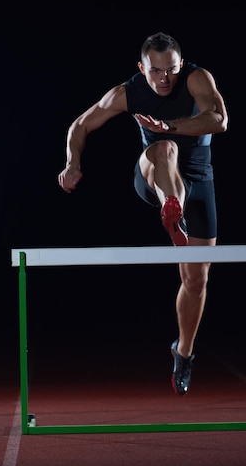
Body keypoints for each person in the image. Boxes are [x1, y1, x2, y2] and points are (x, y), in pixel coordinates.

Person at [58, 32, 228, 396]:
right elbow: (80, 125)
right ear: (142, 68)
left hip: (200, 183)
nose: (165, 78)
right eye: (156, 71)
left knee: (196, 279)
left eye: (172, 70)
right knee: (163, 148)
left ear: (181, 65)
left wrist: (171, 125)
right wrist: (73, 163)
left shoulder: (198, 78)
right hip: (153, 174)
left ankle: (183, 352)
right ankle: (171, 206)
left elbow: (218, 119)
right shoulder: (126, 92)